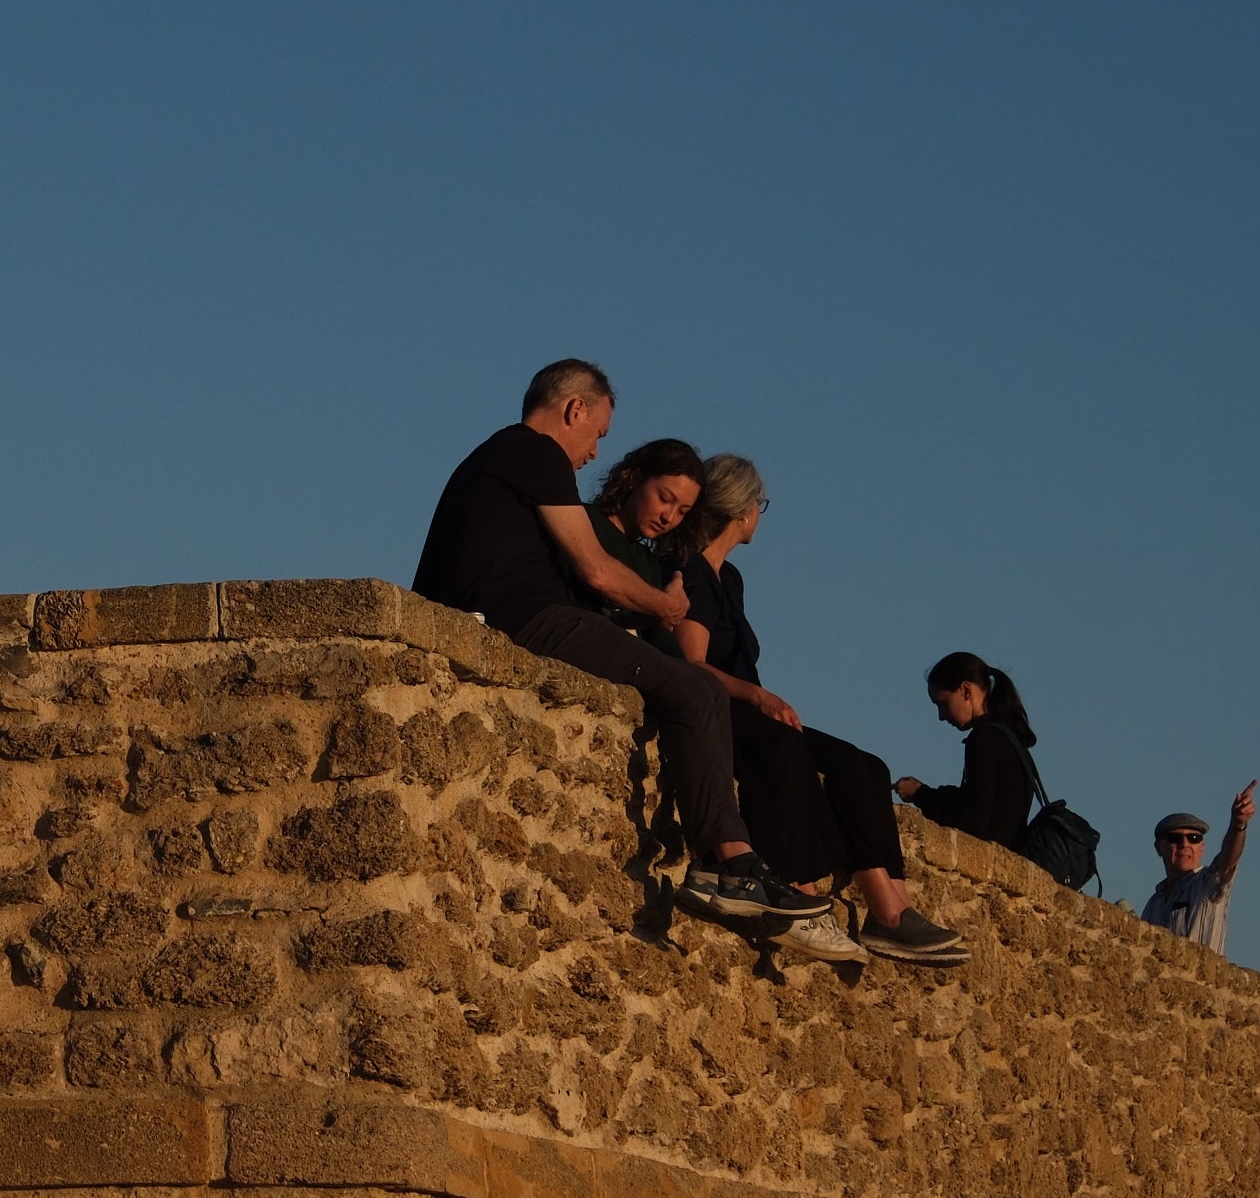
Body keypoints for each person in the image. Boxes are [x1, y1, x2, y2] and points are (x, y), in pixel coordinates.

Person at [412, 361, 828, 923]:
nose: (591, 453)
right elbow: (597, 571)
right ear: (574, 409)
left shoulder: (496, 455)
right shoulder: (535, 451)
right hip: (528, 621)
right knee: (695, 689)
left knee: (683, 683)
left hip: (512, 616)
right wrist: (666, 605)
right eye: (598, 434)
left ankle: (731, 864)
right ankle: (728, 867)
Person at [668, 456, 966, 965]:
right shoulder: (691, 572)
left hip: (752, 706)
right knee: (785, 746)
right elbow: (692, 664)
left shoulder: (730, 580)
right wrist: (758, 696)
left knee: (863, 766)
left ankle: (890, 908)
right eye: (759, 506)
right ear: (741, 510)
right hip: (721, 707)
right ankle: (802, 895)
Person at [894, 653, 1036, 851]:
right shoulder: (1009, 739)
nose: (941, 716)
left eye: (942, 703)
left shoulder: (985, 739)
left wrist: (921, 794)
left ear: (966, 690)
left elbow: (972, 819)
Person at [584, 440, 706, 628]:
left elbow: (661, 642)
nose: (669, 517)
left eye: (682, 511)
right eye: (665, 499)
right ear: (635, 479)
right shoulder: (584, 522)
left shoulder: (649, 564)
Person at [1137, 784, 1257, 951]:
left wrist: (1238, 825)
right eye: (1175, 838)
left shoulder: (1206, 884)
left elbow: (1228, 862)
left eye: (1193, 838)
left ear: (1202, 847)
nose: (1184, 844)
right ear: (1159, 848)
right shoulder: (1154, 902)